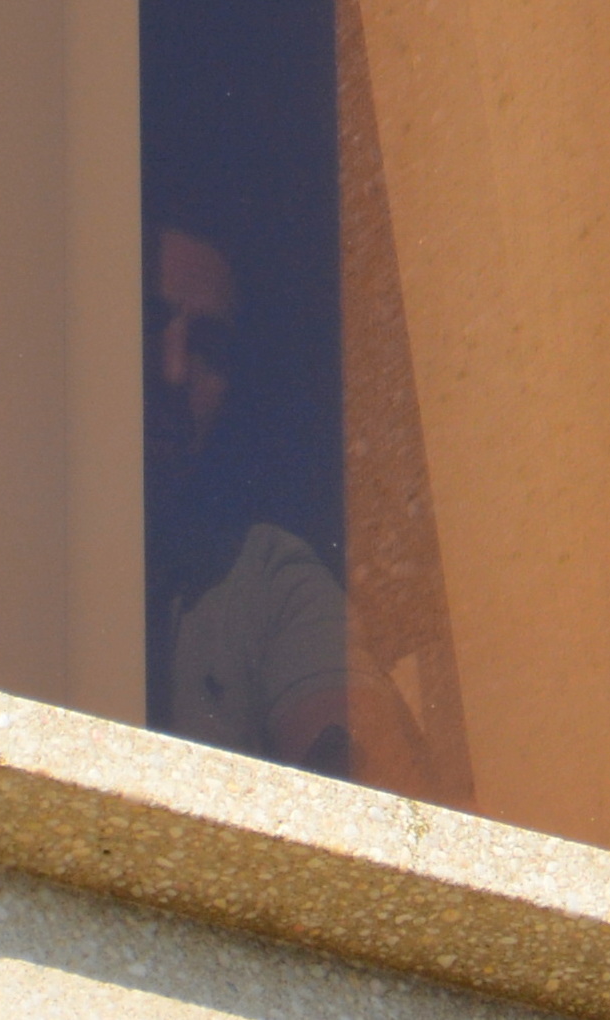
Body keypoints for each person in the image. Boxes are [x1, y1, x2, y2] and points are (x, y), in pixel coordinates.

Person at [143, 227, 434, 788]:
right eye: (150, 325)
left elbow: (383, 805)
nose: (175, 371)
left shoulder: (263, 579)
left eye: (208, 347)